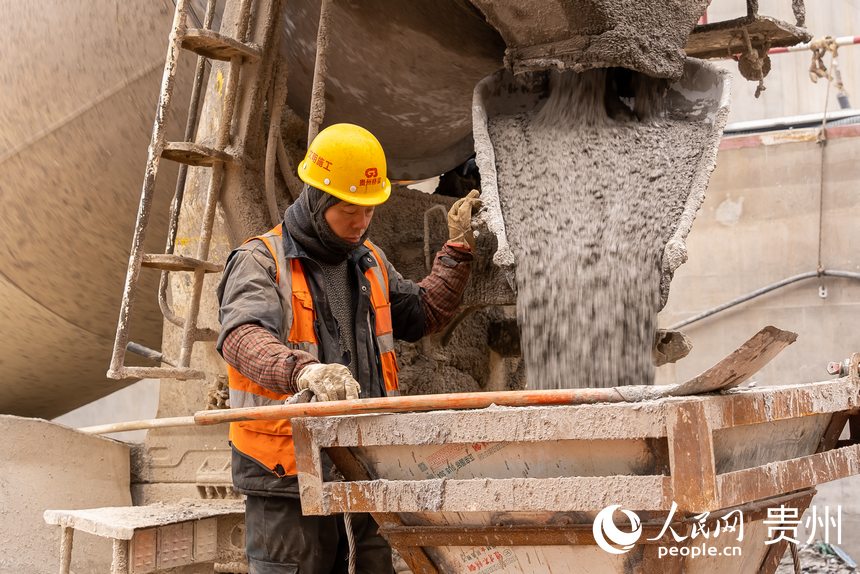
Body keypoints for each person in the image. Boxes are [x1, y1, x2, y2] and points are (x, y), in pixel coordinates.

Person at [216, 123, 481, 573]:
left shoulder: (368, 261)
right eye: (350, 211)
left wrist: (457, 251)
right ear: (319, 201)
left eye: (369, 212)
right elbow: (243, 337)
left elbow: (421, 315)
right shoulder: (260, 261)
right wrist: (303, 371)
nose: (360, 223)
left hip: (362, 472)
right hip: (289, 482)